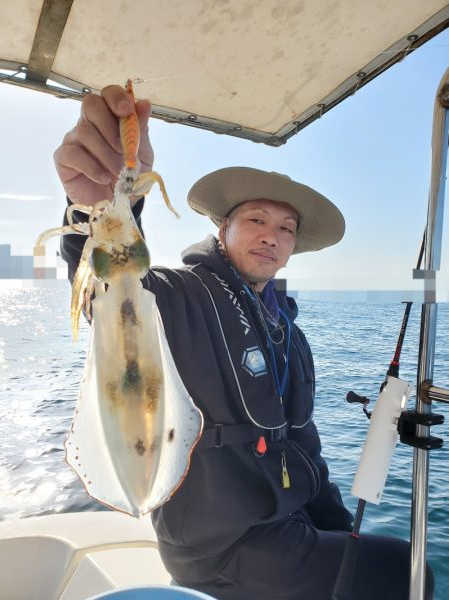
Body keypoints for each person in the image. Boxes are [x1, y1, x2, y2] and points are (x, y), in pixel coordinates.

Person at [54, 85, 434, 600]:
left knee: (388, 555)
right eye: (256, 220)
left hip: (286, 522)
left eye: (286, 228)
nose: (271, 236)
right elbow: (117, 291)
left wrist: (344, 527)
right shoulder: (182, 294)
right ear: (223, 227)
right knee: (411, 575)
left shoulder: (290, 335)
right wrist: (102, 202)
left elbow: (305, 445)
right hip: (219, 546)